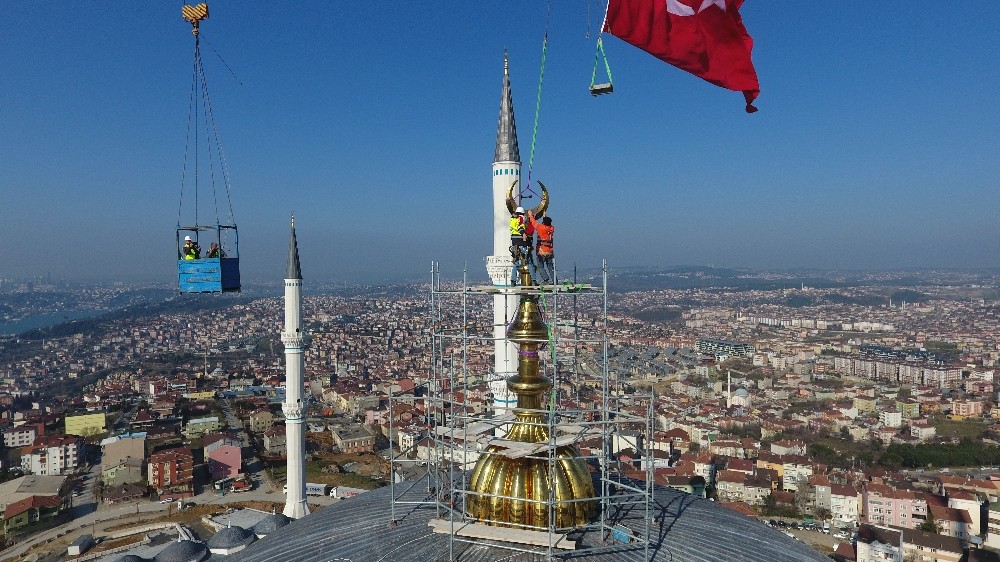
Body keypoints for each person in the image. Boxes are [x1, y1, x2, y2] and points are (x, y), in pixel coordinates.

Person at [528, 211, 554, 284]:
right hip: (549, 251)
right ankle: (555, 280)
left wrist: (530, 215)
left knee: (540, 266)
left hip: (541, 251)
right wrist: (544, 216)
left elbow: (534, 223)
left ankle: (545, 279)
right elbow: (548, 223)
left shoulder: (541, 228)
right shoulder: (551, 228)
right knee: (550, 267)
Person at [509, 206, 530, 284]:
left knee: (516, 262)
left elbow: (514, 227)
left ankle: (513, 280)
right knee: (527, 260)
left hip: (514, 241)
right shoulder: (521, 218)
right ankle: (530, 279)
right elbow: (520, 227)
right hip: (520, 241)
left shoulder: (512, 219)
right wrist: (523, 233)